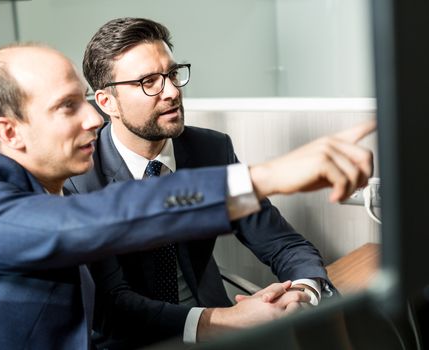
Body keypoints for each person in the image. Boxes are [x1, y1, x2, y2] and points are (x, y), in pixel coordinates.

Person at [0, 43, 373, 350]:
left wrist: (235, 316)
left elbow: (102, 301)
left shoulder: (49, 195)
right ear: (10, 132)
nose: (91, 119)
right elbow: (99, 221)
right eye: (68, 107)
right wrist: (265, 176)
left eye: (82, 101)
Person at [66, 17, 375, 349]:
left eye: (171, 74)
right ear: (106, 102)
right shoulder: (80, 178)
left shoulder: (208, 151)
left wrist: (303, 290)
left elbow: (280, 243)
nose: (171, 91)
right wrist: (219, 322)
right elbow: (114, 306)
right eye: (148, 82)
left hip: (215, 323)